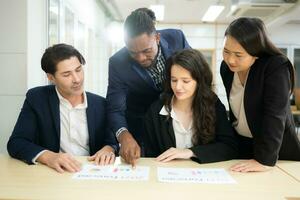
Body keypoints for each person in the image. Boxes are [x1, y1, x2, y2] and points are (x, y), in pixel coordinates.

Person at [7, 43, 117, 173]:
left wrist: (109, 148)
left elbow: (113, 142)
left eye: (78, 70)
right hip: (55, 173)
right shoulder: (37, 99)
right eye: (66, 74)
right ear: (51, 77)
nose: (77, 79)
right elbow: (16, 143)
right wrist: (49, 157)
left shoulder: (101, 104)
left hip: (90, 172)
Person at [106, 8, 190, 166]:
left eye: (146, 51)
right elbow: (115, 108)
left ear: (157, 37)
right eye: (133, 52)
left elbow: (195, 74)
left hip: (181, 120)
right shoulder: (117, 63)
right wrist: (123, 135)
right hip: (142, 127)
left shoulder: (176, 38)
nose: (141, 58)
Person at [220, 17, 300, 172]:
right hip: (243, 146)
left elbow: (275, 115)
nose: (230, 59)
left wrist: (265, 161)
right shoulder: (226, 69)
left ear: (256, 53)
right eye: (226, 51)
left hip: (275, 152)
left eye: (238, 54)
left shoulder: (275, 67)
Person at [143, 49, 238, 163]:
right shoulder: (155, 111)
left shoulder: (213, 105)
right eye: (174, 80)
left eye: (185, 81)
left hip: (203, 175)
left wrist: (191, 152)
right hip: (167, 175)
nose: (178, 87)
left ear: (199, 81)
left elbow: (229, 147)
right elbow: (150, 156)